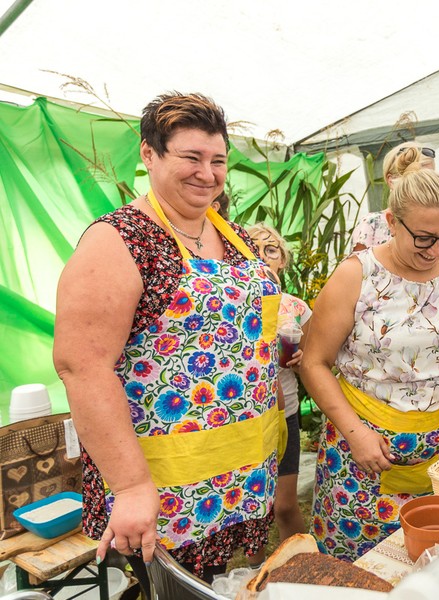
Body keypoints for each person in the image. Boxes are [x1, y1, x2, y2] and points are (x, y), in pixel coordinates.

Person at [53, 93, 281, 581]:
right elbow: (81, 365)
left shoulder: (233, 235)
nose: (208, 173)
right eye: (191, 158)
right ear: (150, 155)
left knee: (217, 582)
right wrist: (132, 488)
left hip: (238, 475)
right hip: (167, 487)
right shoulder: (119, 240)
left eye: (218, 160)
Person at [300, 168, 439, 561]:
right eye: (423, 237)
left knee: (430, 564)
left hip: (437, 454)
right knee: (358, 571)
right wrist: (356, 434)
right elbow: (314, 362)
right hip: (361, 460)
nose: (435, 250)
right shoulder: (357, 275)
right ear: (391, 221)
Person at [245, 223, 311, 567]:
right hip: (249, 421)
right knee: (253, 510)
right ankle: (253, 576)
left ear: (282, 260)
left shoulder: (295, 308)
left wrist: (300, 362)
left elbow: (313, 363)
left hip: (285, 415)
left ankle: (302, 570)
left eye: (271, 249)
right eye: (253, 248)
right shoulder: (236, 306)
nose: (262, 255)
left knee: (284, 505)